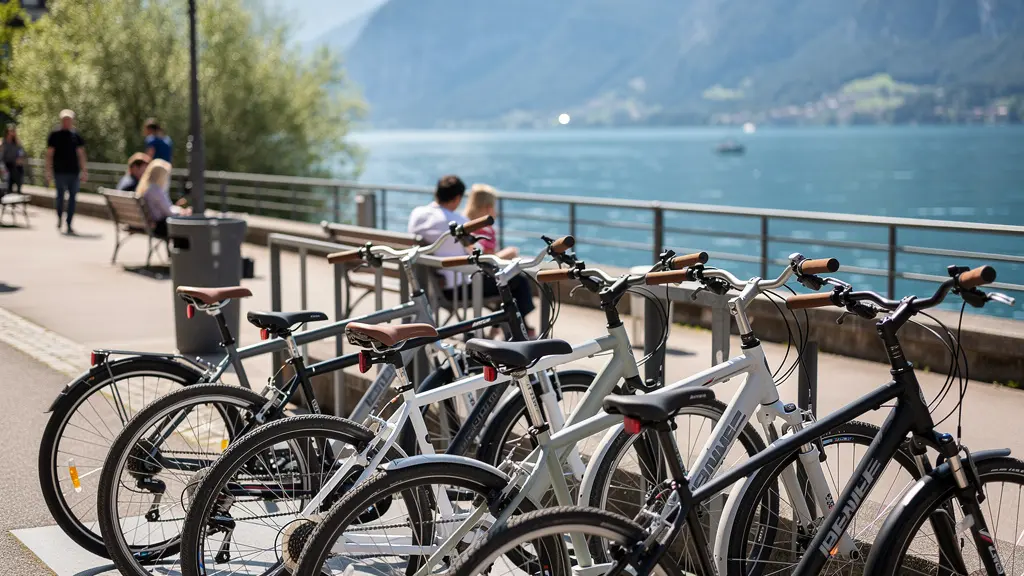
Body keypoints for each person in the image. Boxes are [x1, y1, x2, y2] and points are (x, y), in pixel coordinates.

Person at [408, 175, 536, 334]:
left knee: (505, 280)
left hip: (431, 284)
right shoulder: (457, 222)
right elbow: (480, 256)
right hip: (461, 287)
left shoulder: (417, 214)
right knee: (518, 280)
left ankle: (507, 327)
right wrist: (507, 254)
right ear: (457, 198)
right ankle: (516, 330)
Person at [46, 109, 88, 234]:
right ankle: (59, 217)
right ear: (61, 120)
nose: (67, 122)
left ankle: (69, 223)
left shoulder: (76, 136)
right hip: (59, 172)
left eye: (69, 120)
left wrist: (84, 170)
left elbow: (81, 154)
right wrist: (48, 171)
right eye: (65, 120)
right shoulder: (54, 135)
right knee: (60, 197)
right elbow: (49, 154)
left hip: (74, 172)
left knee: (72, 199)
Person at [462, 183, 519, 259]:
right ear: (489, 207)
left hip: (469, 263)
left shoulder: (464, 223)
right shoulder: (485, 230)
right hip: (483, 264)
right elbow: (487, 257)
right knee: (512, 251)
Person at [136, 159, 190, 237]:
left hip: (150, 223)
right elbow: (169, 212)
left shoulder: (145, 187)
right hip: (159, 226)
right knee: (187, 224)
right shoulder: (156, 190)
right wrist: (182, 212)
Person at [1, 124, 25, 197]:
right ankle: (9, 191)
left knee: (19, 171)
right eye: (10, 131)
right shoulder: (3, 142)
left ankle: (18, 190)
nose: (12, 133)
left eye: (13, 131)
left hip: (14, 164)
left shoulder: (16, 143)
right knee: (10, 174)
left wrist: (20, 158)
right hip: (6, 164)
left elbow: (21, 152)